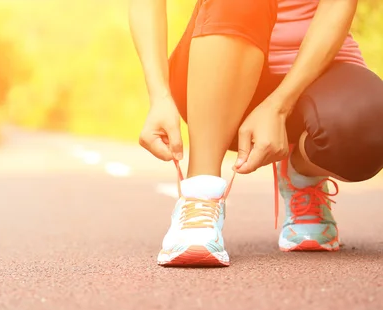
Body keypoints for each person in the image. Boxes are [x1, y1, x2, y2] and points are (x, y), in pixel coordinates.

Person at [129, 0, 383, 267]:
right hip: (218, 65)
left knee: (369, 127)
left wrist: (279, 106)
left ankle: (302, 175)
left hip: (316, 70)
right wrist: (159, 95)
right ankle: (199, 197)